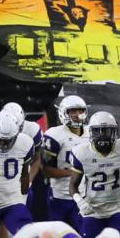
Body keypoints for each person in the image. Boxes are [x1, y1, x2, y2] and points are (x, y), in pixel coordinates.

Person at [41, 95, 88, 231]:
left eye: (80, 111)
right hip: (59, 196)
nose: (77, 115)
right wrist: (73, 172)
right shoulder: (54, 135)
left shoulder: (91, 134)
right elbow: (46, 171)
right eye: (72, 111)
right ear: (63, 113)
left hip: (84, 197)